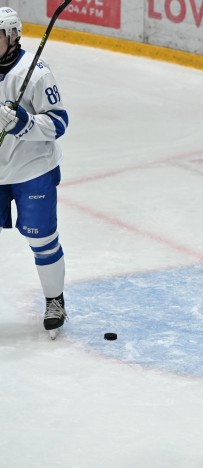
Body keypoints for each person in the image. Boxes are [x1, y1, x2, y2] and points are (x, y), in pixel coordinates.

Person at [0, 7, 69, 339]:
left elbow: (59, 123)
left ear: (13, 36)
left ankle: (54, 300)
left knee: (42, 241)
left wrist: (23, 122)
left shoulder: (36, 73)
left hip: (32, 170)